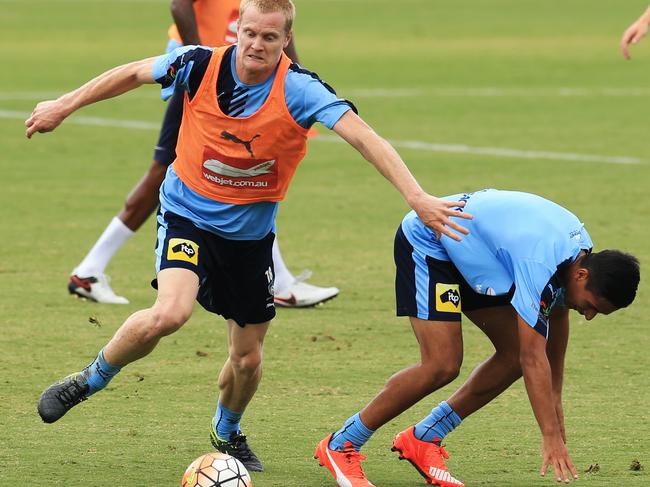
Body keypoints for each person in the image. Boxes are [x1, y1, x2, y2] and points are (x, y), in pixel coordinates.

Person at [27, 0, 472, 473]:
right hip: (187, 217)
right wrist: (64, 104)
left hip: (248, 240)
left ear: (286, 42)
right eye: (251, 34)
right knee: (170, 313)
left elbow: (367, 139)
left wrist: (417, 197)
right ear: (238, 31)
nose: (257, 45)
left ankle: (226, 428)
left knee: (247, 359)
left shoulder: (300, 89)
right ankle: (89, 380)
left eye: (270, 38)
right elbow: (133, 72)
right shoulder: (198, 64)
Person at [314, 189, 640, 487]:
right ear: (582, 276)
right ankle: (342, 443)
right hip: (432, 239)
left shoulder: (579, 256)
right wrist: (549, 434)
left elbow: (556, 313)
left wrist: (555, 396)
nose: (589, 315)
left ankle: (425, 437)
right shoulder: (541, 262)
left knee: (512, 357)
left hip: (479, 255)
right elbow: (533, 355)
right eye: (592, 306)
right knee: (442, 363)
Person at [68, 0, 339, 308]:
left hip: (242, 80)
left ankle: (90, 269)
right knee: (177, 172)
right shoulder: (204, 67)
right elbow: (179, 5)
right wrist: (207, 68)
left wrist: (295, 80)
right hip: (208, 80)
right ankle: (90, 269)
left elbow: (279, 29)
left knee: (239, 171)